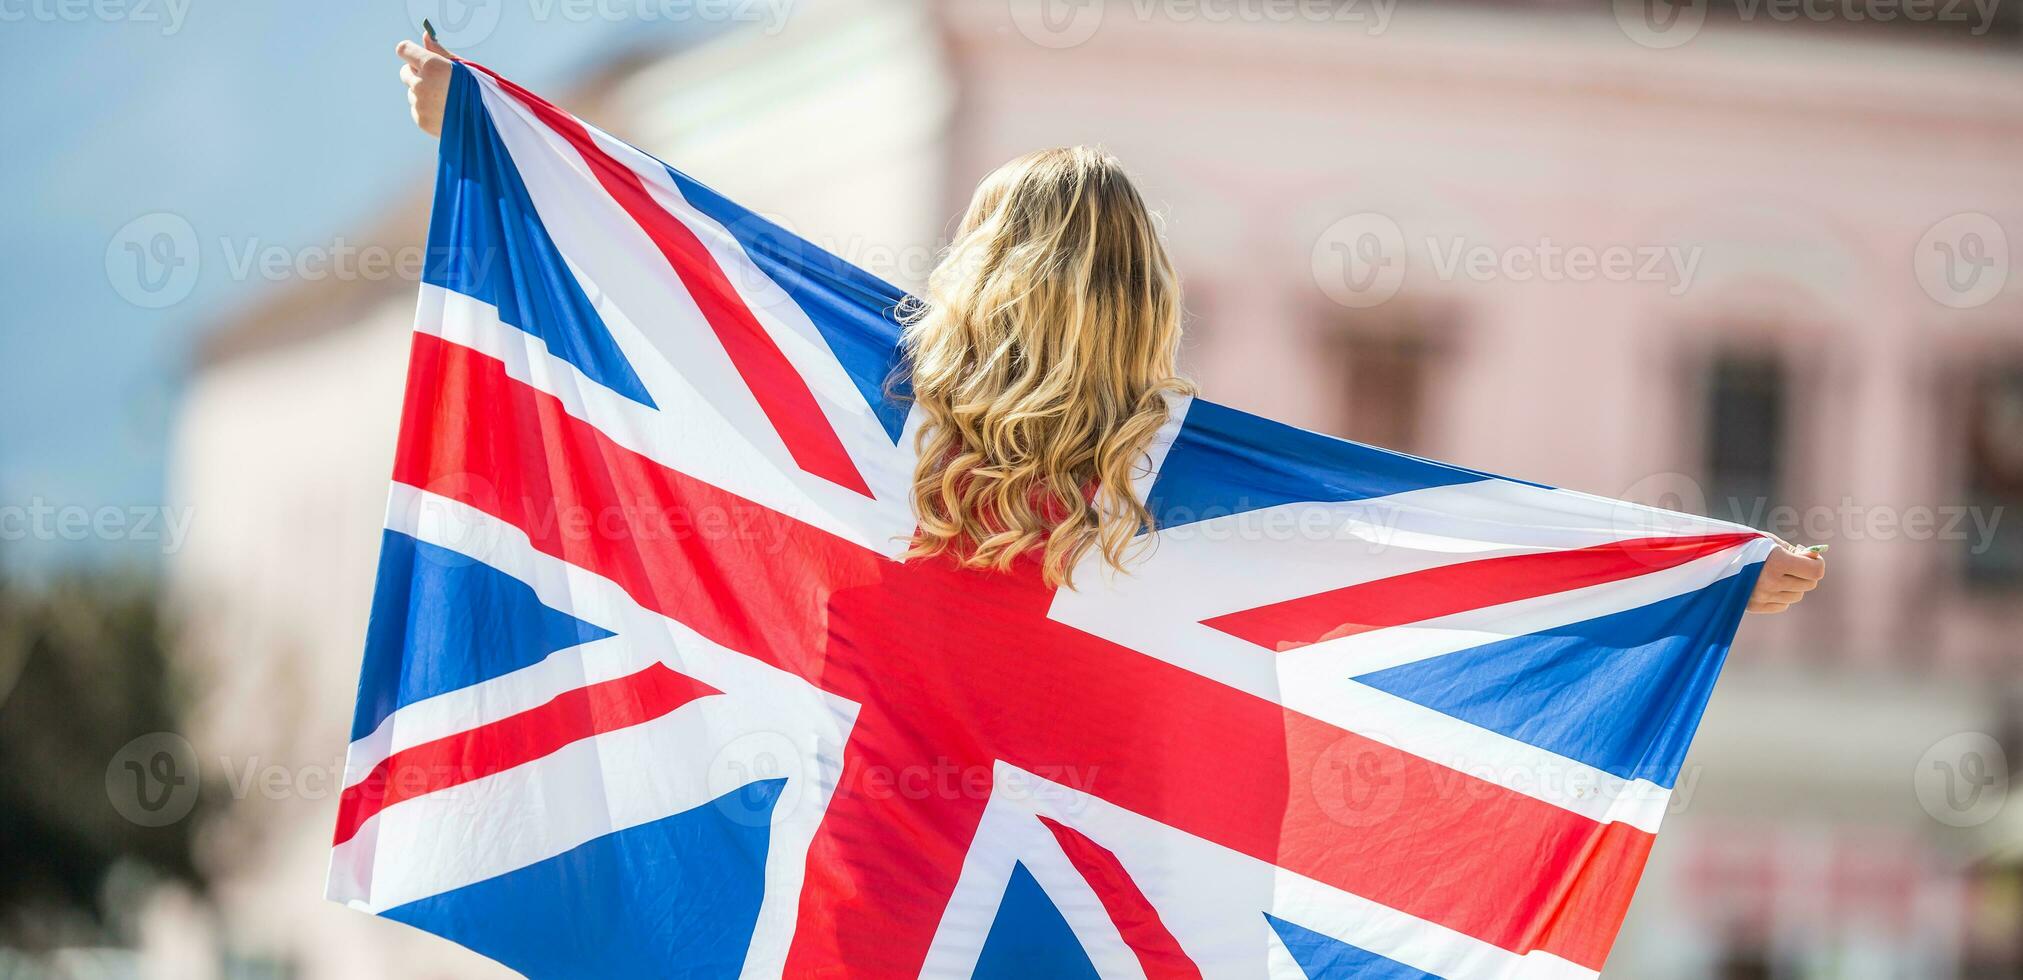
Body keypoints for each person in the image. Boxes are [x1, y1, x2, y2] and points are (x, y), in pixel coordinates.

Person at [394, 37, 1826, 613]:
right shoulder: (1191, 485)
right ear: (1150, 309)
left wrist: (489, 140)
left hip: (860, 903)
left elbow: (669, 290)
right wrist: (1702, 580)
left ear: (977, 278)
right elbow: (1439, 539)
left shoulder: (856, 402)